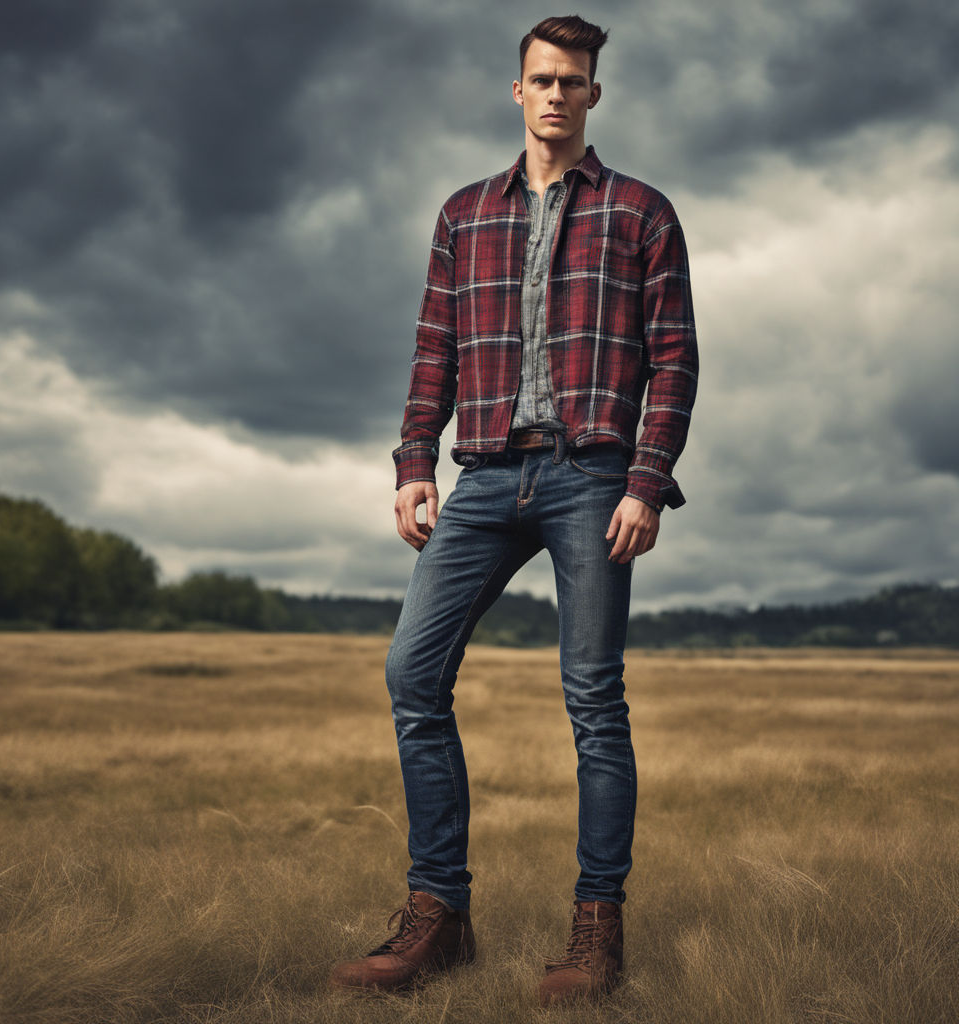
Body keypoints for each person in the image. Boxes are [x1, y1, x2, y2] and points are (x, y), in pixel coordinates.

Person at [330, 14, 698, 1007]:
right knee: (411, 669)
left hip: (591, 477)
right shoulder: (462, 214)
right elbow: (432, 351)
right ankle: (439, 916)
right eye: (540, 80)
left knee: (592, 700)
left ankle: (595, 933)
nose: (554, 96)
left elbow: (673, 362)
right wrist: (415, 462)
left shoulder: (640, 212)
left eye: (572, 82)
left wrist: (644, 480)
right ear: (516, 90)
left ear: (592, 95)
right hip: (486, 476)